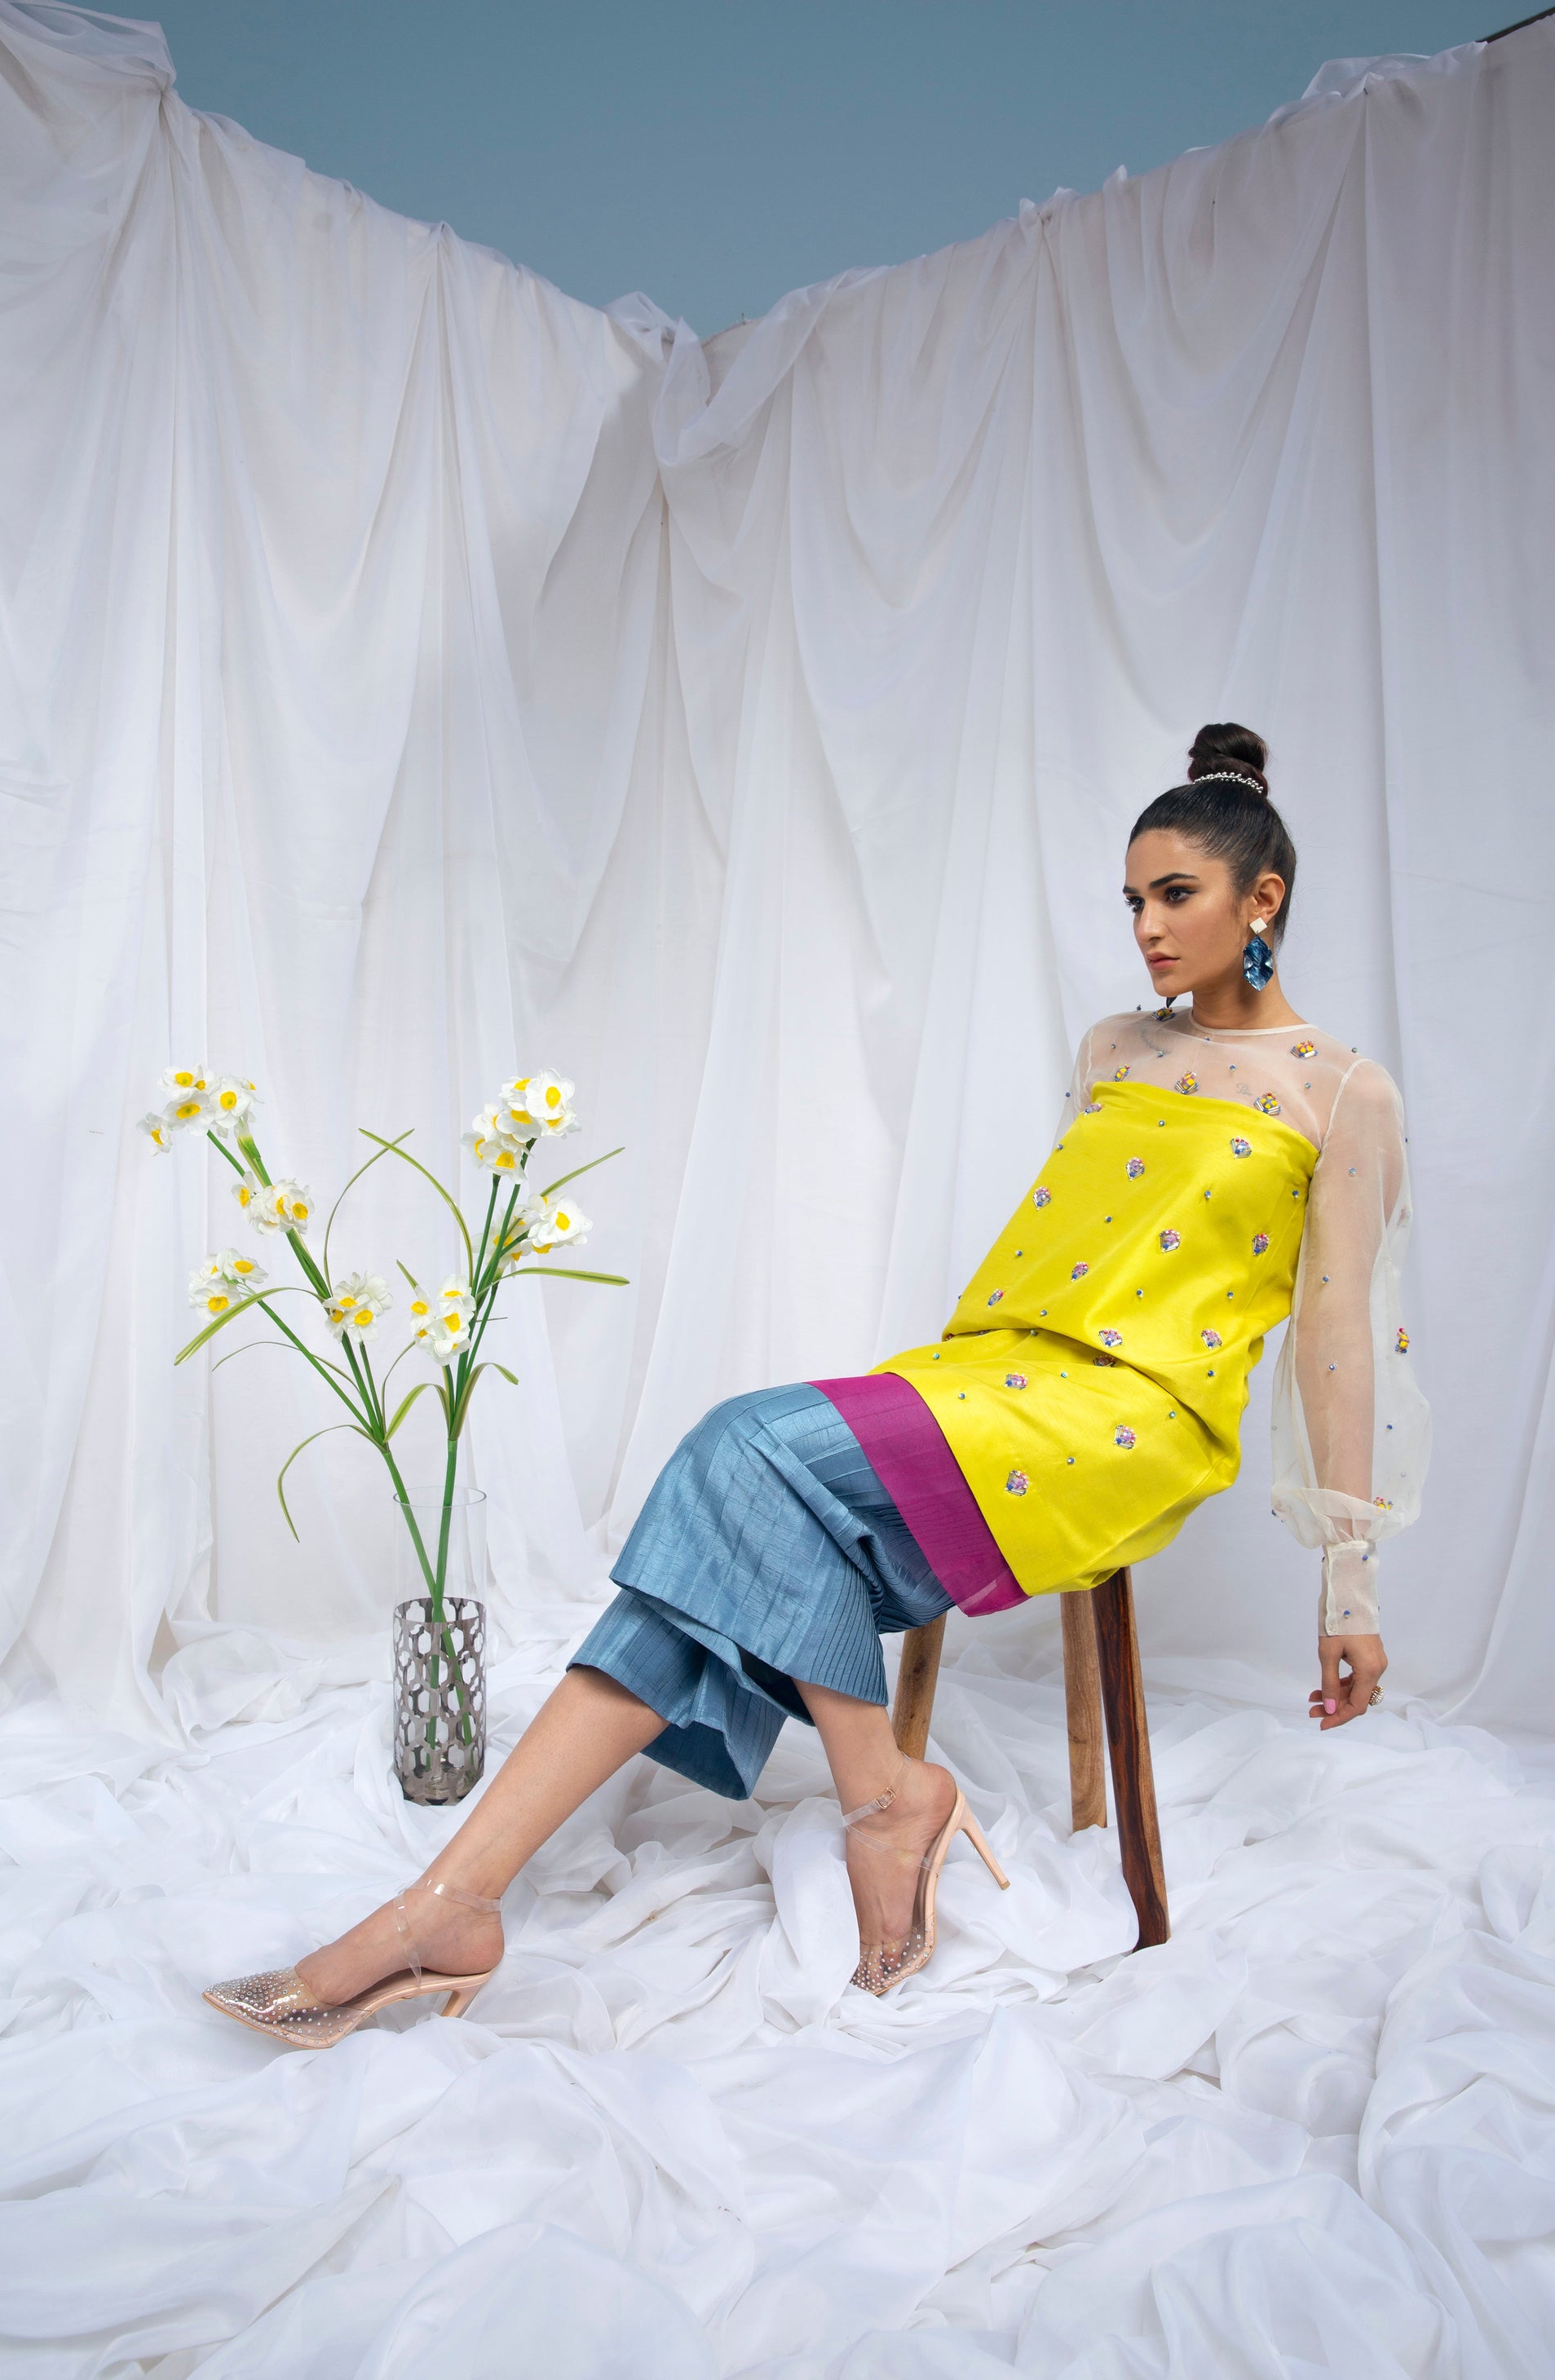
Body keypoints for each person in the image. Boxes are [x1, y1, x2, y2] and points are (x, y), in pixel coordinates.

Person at [205, 723, 1429, 2047]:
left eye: (1174, 895)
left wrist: (1347, 1582)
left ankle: (859, 1803)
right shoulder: (1114, 1050)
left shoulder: (1339, 1093)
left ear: (1261, 899)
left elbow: (1334, 1336)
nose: (1143, 928)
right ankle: (457, 1901)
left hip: (1128, 1421)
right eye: (1130, 899)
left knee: (743, 1449)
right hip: (993, 1374)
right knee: (716, 1549)